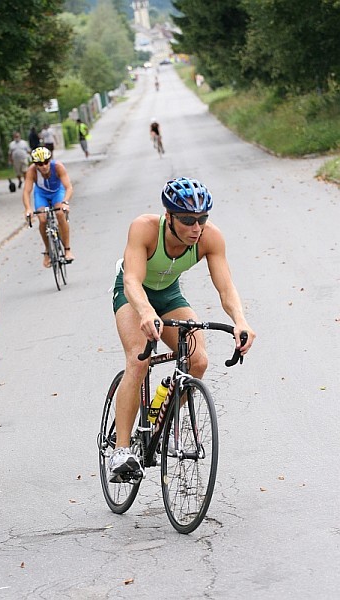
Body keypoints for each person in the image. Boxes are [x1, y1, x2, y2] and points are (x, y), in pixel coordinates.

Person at [108, 177, 256, 481]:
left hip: (169, 295)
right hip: (133, 294)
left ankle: (164, 420)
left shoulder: (210, 238)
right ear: (169, 217)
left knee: (197, 360)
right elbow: (132, 280)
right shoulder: (145, 228)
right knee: (139, 358)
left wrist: (240, 320)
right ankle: (122, 450)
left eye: (202, 219)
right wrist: (146, 312)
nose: (196, 227)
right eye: (188, 220)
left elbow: (226, 288)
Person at [22, 147, 74, 267]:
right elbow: (26, 191)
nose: (44, 166)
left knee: (60, 213)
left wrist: (65, 202)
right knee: (42, 219)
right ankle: (48, 250)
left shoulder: (58, 167)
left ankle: (67, 249)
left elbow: (68, 187)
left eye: (46, 162)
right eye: (40, 164)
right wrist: (28, 208)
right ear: (35, 164)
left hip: (57, 192)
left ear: (50, 160)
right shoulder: (32, 171)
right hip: (41, 194)